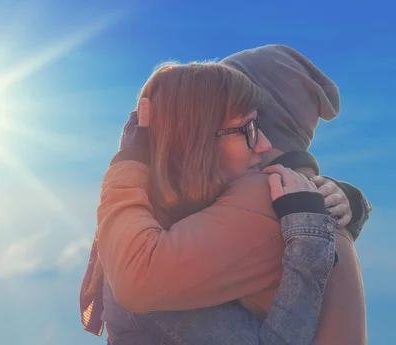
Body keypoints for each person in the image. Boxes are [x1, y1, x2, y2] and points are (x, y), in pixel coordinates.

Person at [80, 45, 371, 344]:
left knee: (121, 266)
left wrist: (129, 160)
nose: (260, 143)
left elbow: (134, 278)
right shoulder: (292, 192)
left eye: (252, 124)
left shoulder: (267, 192)